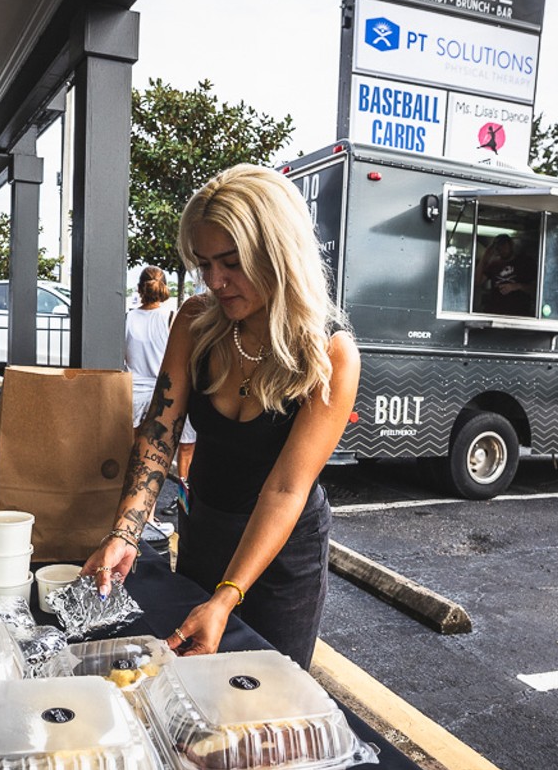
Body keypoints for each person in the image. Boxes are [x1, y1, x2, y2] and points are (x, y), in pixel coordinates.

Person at [81, 164, 360, 670]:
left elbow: (285, 490)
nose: (215, 280)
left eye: (231, 262)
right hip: (204, 527)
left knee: (261, 699)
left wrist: (227, 595)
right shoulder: (195, 319)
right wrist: (124, 532)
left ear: (277, 252)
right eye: (205, 263)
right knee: (188, 684)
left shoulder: (330, 351)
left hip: (280, 556)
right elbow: (160, 430)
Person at [126, 266, 196, 500]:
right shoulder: (171, 317)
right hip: (169, 394)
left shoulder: (130, 317)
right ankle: (182, 502)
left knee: (141, 455)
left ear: (140, 288)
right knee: (186, 452)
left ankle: (141, 508)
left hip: (135, 395)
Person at [476, 233, 535, 317]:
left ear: (511, 245)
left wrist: (517, 286)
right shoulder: (494, 265)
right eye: (499, 247)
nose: (502, 249)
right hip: (495, 313)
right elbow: (477, 281)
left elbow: (535, 289)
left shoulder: (524, 263)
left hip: (517, 314)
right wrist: (485, 256)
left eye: (504, 245)